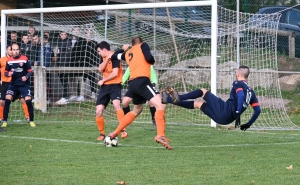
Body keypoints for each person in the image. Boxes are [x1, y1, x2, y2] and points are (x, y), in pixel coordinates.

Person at [108, 36, 172, 150]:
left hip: (132, 84)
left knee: (136, 110)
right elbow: (149, 58)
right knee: (161, 105)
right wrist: (152, 61)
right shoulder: (143, 45)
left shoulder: (127, 53)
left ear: (132, 45)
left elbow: (114, 56)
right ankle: (161, 135)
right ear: (141, 43)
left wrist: (123, 49)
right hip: (142, 81)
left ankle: (114, 133)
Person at [165, 65, 261, 131]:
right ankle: (168, 99)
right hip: (226, 120)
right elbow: (258, 110)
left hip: (225, 110)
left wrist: (238, 112)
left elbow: (240, 95)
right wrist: (248, 124)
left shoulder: (238, 83)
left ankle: (179, 97)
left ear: (238, 74)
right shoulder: (251, 92)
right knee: (198, 103)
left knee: (203, 91)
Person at [95, 41, 124, 141]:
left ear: (105, 50)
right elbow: (100, 69)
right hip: (105, 87)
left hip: (115, 85)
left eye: (99, 51)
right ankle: (102, 134)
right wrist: (106, 60)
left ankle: (123, 130)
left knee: (116, 105)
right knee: (98, 111)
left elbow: (115, 73)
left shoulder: (115, 57)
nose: (98, 53)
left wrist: (103, 80)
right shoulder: (103, 57)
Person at [1, 43, 35, 128]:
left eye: (17, 50)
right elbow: (5, 72)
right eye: (14, 50)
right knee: (7, 99)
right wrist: (9, 73)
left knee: (28, 100)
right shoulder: (9, 60)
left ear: (19, 50)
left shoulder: (24, 59)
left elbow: (30, 71)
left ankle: (31, 120)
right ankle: (4, 121)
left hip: (24, 85)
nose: (15, 51)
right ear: (11, 51)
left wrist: (26, 76)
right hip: (13, 85)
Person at [54, 31, 73, 105]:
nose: (63, 35)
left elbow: (68, 54)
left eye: (64, 34)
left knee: (65, 80)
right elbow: (60, 54)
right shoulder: (59, 42)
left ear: (67, 35)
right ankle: (65, 97)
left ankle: (65, 97)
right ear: (59, 35)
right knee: (62, 80)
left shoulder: (68, 42)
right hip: (60, 64)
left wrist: (64, 64)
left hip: (65, 65)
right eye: (61, 34)